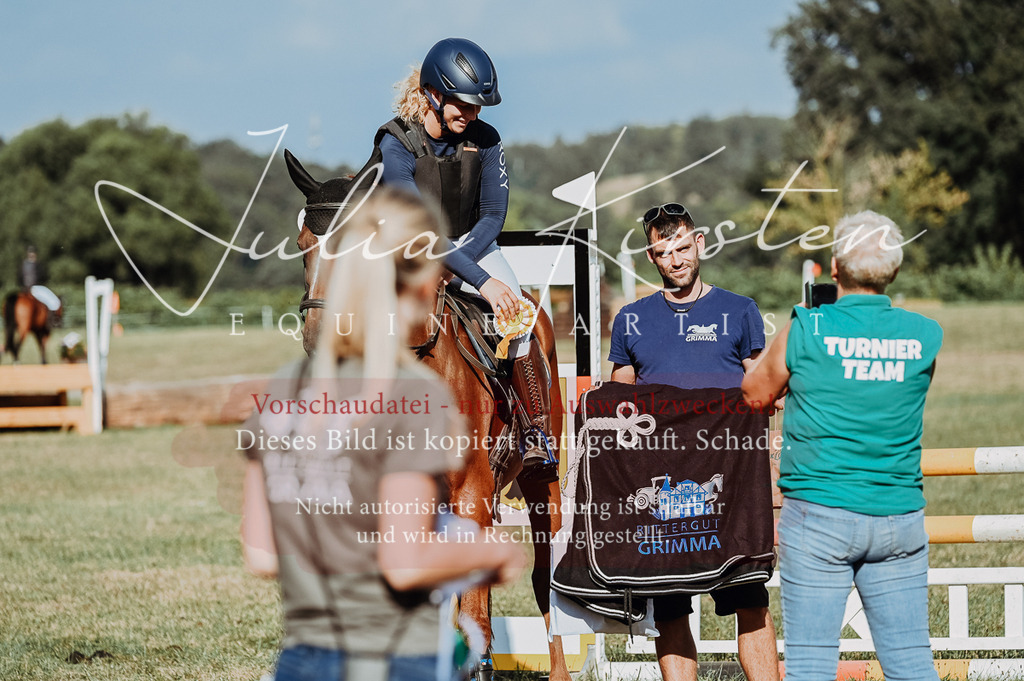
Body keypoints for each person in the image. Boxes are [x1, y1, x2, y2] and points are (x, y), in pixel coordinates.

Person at [240, 188, 526, 681]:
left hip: (304, 656)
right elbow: (404, 563)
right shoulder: (414, 393)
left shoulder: (283, 387)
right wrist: (492, 554)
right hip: (398, 655)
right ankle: (534, 423)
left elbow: (262, 553)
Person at [742, 211, 942, 681]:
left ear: (835, 268)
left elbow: (754, 393)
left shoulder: (806, 328)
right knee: (912, 664)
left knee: (810, 667)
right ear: (893, 270)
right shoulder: (925, 335)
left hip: (820, 515)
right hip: (899, 514)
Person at [608, 203, 779, 681]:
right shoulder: (631, 319)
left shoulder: (741, 311)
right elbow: (619, 408)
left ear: (700, 243)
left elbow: (765, 397)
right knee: (669, 611)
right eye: (664, 253)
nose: (676, 260)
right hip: (662, 493)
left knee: (750, 600)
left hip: (732, 490)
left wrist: (775, 487)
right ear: (651, 257)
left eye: (683, 248)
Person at [375, 37, 555, 472]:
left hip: (475, 244)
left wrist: (472, 272)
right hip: (410, 253)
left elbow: (493, 215)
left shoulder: (486, 139)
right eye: (462, 105)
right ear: (431, 94)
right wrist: (474, 278)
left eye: (477, 107)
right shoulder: (395, 144)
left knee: (518, 315)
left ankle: (534, 433)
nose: (471, 115)